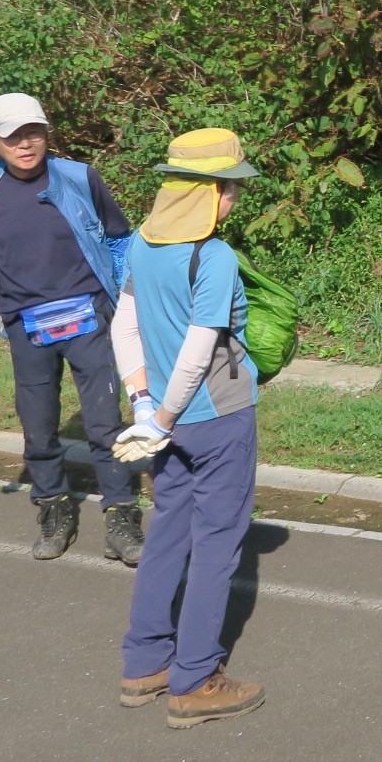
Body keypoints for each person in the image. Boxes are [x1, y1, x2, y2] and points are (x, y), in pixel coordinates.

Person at [110, 128, 267, 728]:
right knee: (218, 547)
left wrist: (144, 407)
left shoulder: (143, 246)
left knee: (169, 532)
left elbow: (123, 328)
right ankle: (196, 679)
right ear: (203, 192)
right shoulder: (215, 256)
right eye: (229, 189)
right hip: (218, 418)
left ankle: (144, 664)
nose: (233, 199)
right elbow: (201, 348)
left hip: (165, 421)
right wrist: (169, 414)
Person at [0, 92, 142, 562]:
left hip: (90, 317)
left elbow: (119, 242)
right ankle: (54, 506)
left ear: (46, 133)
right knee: (38, 426)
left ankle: (121, 516)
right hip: (24, 325)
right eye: (13, 136)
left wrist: (129, 305)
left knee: (105, 421)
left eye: (33, 132)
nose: (25, 144)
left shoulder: (78, 178)